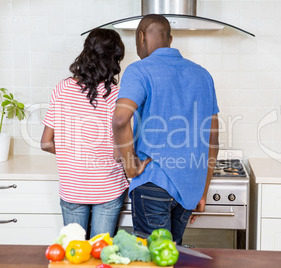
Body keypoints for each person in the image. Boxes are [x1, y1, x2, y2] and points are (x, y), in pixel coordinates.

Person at [112, 14, 219, 245]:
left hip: (152, 182)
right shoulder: (203, 75)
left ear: (141, 37)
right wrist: (203, 190)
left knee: (154, 259)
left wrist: (130, 167)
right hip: (190, 187)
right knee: (172, 255)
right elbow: (212, 140)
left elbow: (120, 120)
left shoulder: (139, 70)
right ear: (170, 39)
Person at [41, 28, 127, 239]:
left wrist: (72, 153)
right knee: (101, 253)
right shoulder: (117, 95)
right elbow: (119, 152)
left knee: (74, 253)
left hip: (72, 186)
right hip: (108, 187)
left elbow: (45, 143)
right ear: (114, 60)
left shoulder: (62, 88)